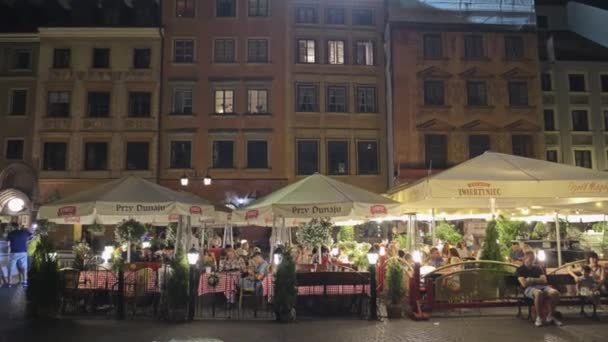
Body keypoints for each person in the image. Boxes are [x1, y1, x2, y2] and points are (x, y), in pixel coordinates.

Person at [516, 251, 562, 327]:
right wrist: (537, 280)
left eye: (533, 259)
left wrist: (532, 279)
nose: (531, 261)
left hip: (542, 287)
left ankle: (550, 316)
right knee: (538, 293)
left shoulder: (538, 268)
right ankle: (539, 317)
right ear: (525, 259)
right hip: (528, 289)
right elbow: (524, 284)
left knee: (555, 293)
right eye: (529, 259)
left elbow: (544, 280)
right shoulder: (520, 270)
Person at [5, 223, 34, 288]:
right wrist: (26, 241)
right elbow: (32, 236)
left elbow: (8, 245)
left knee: (11, 268)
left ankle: (9, 283)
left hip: (14, 253)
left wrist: (7, 254)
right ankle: (25, 282)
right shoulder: (24, 232)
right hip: (23, 252)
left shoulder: (10, 234)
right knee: (24, 268)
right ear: (18, 227)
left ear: (12, 227)